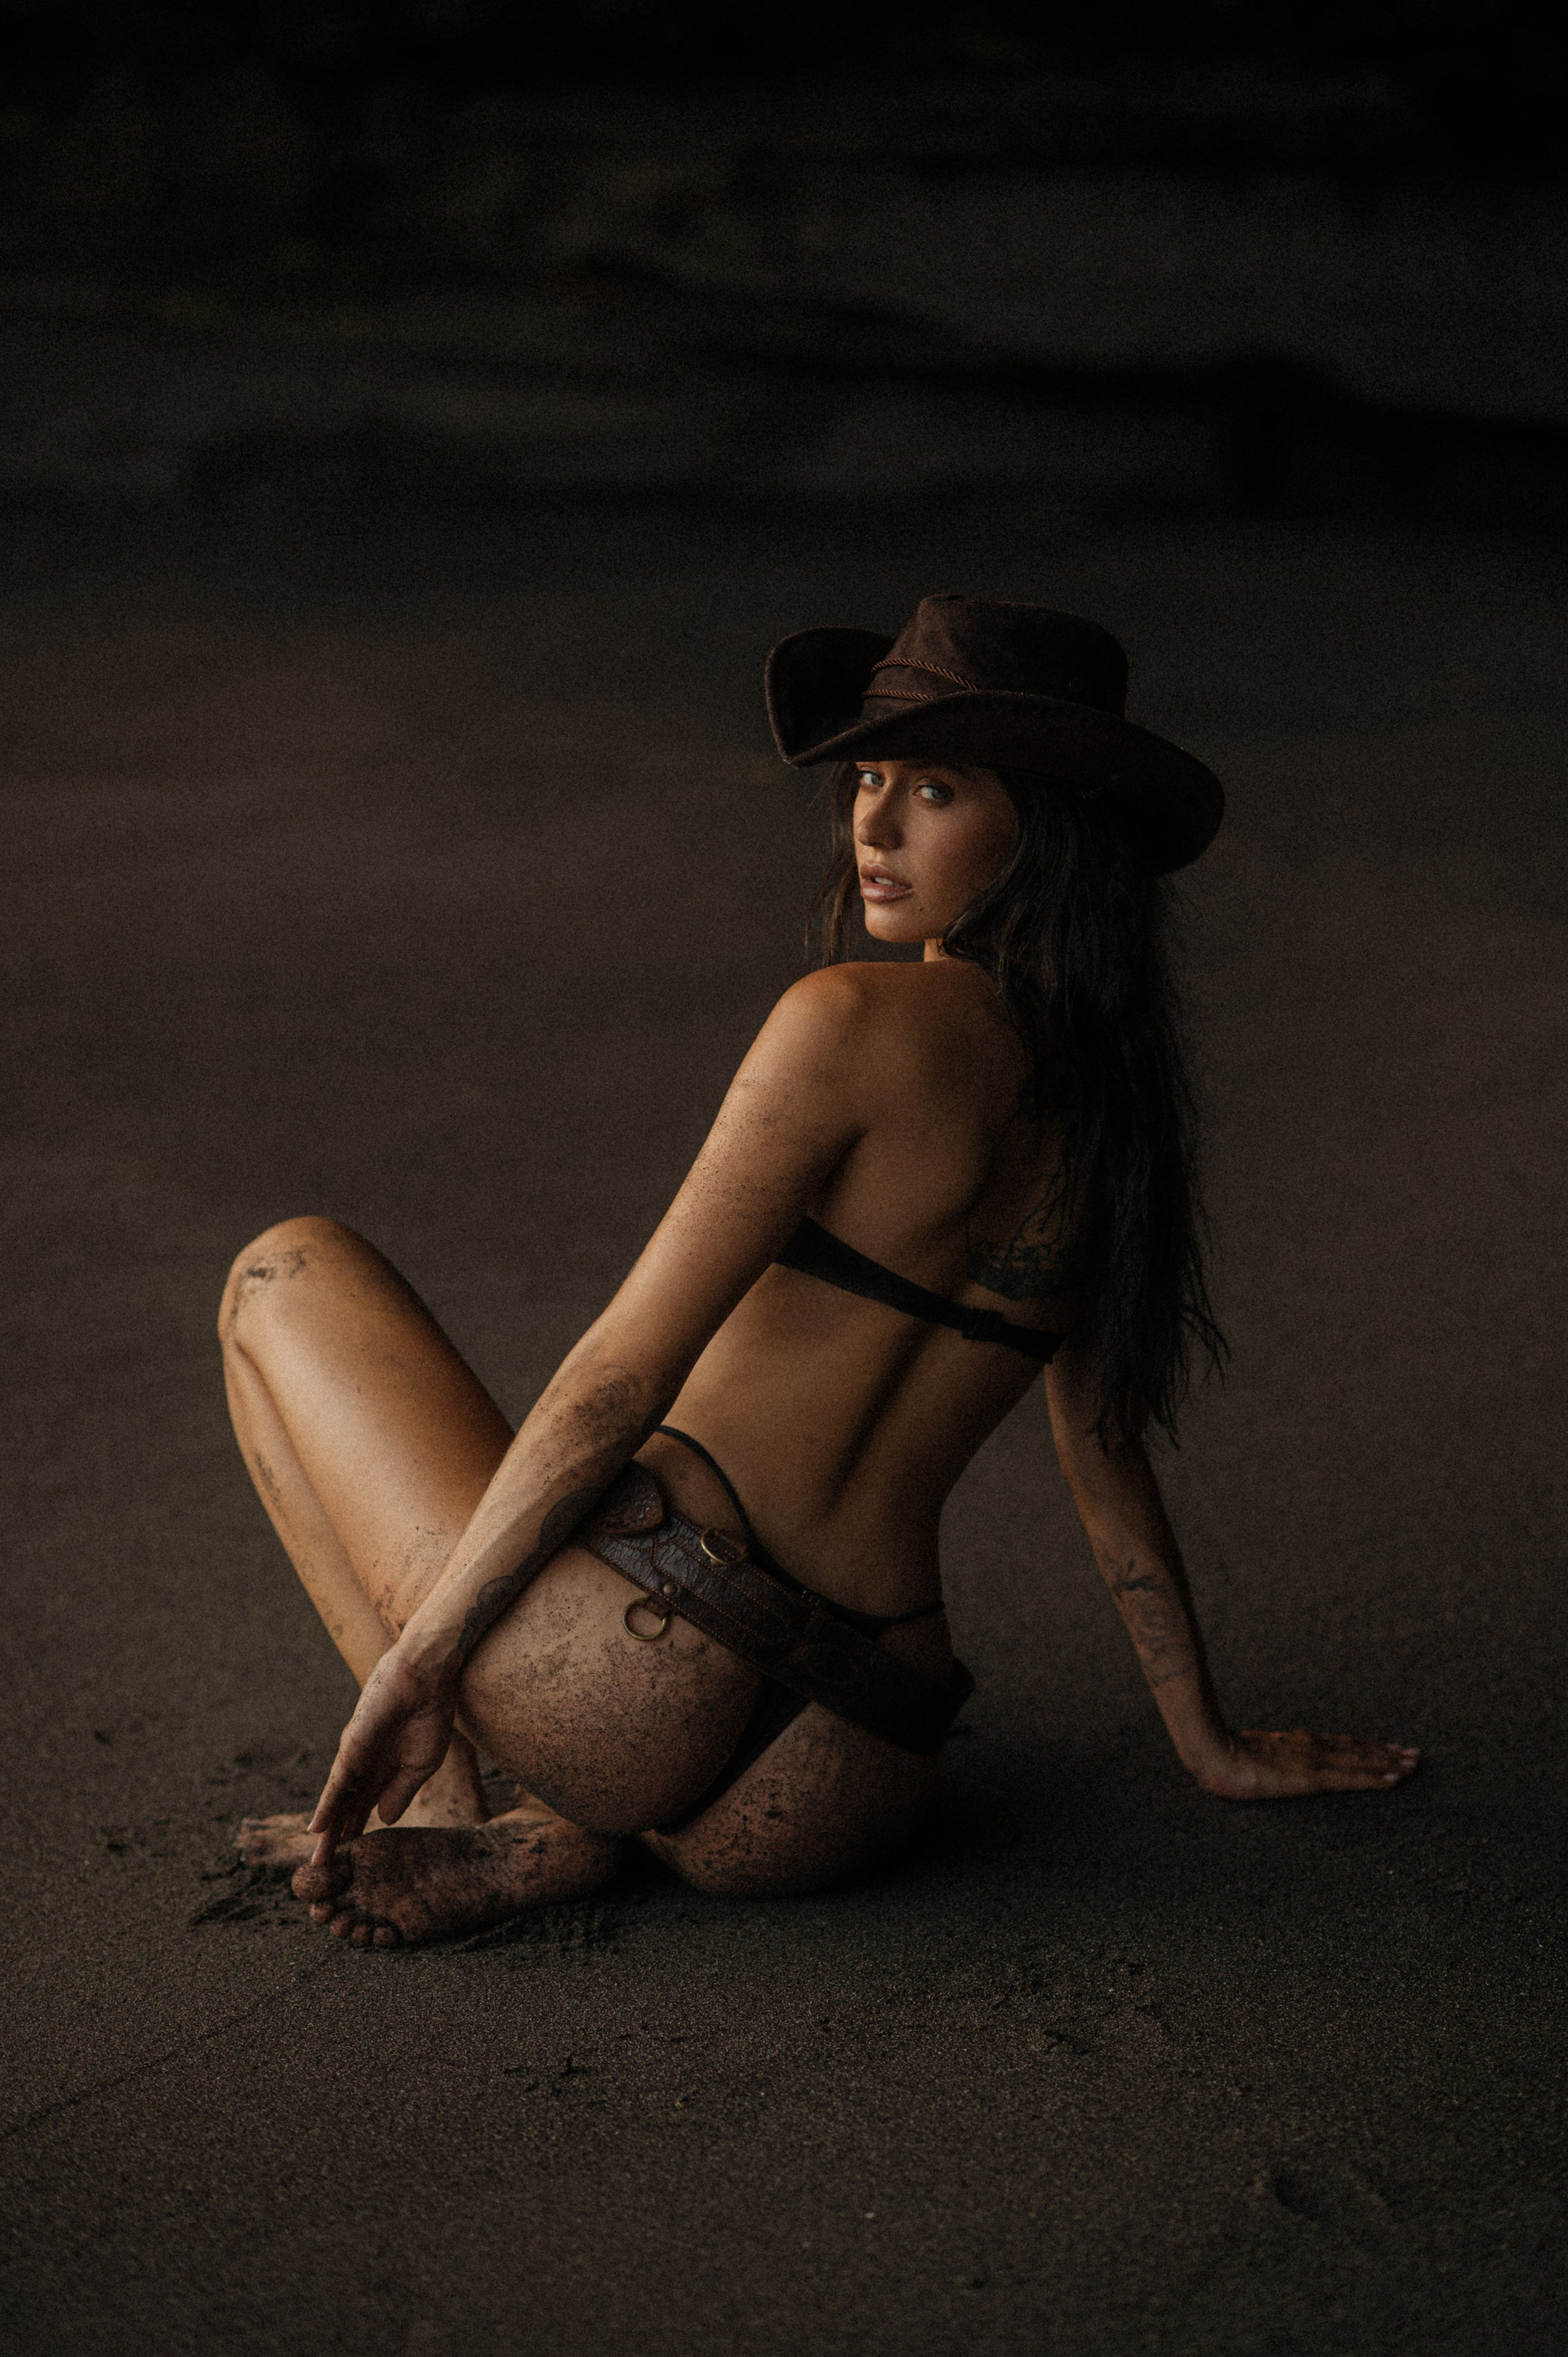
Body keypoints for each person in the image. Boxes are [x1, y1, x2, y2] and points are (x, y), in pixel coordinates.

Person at [222, 595, 1418, 1949]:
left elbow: (621, 1372)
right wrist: (1208, 1739)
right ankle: (566, 1821)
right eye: (868, 778)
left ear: (1046, 830)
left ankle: (457, 1797)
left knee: (280, 1272)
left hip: (633, 1662)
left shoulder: (846, 1018)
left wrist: (426, 1664)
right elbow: (1102, 1447)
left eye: (936, 788)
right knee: (625, 1684)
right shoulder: (1118, 1123)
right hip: (848, 1765)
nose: (875, 823)